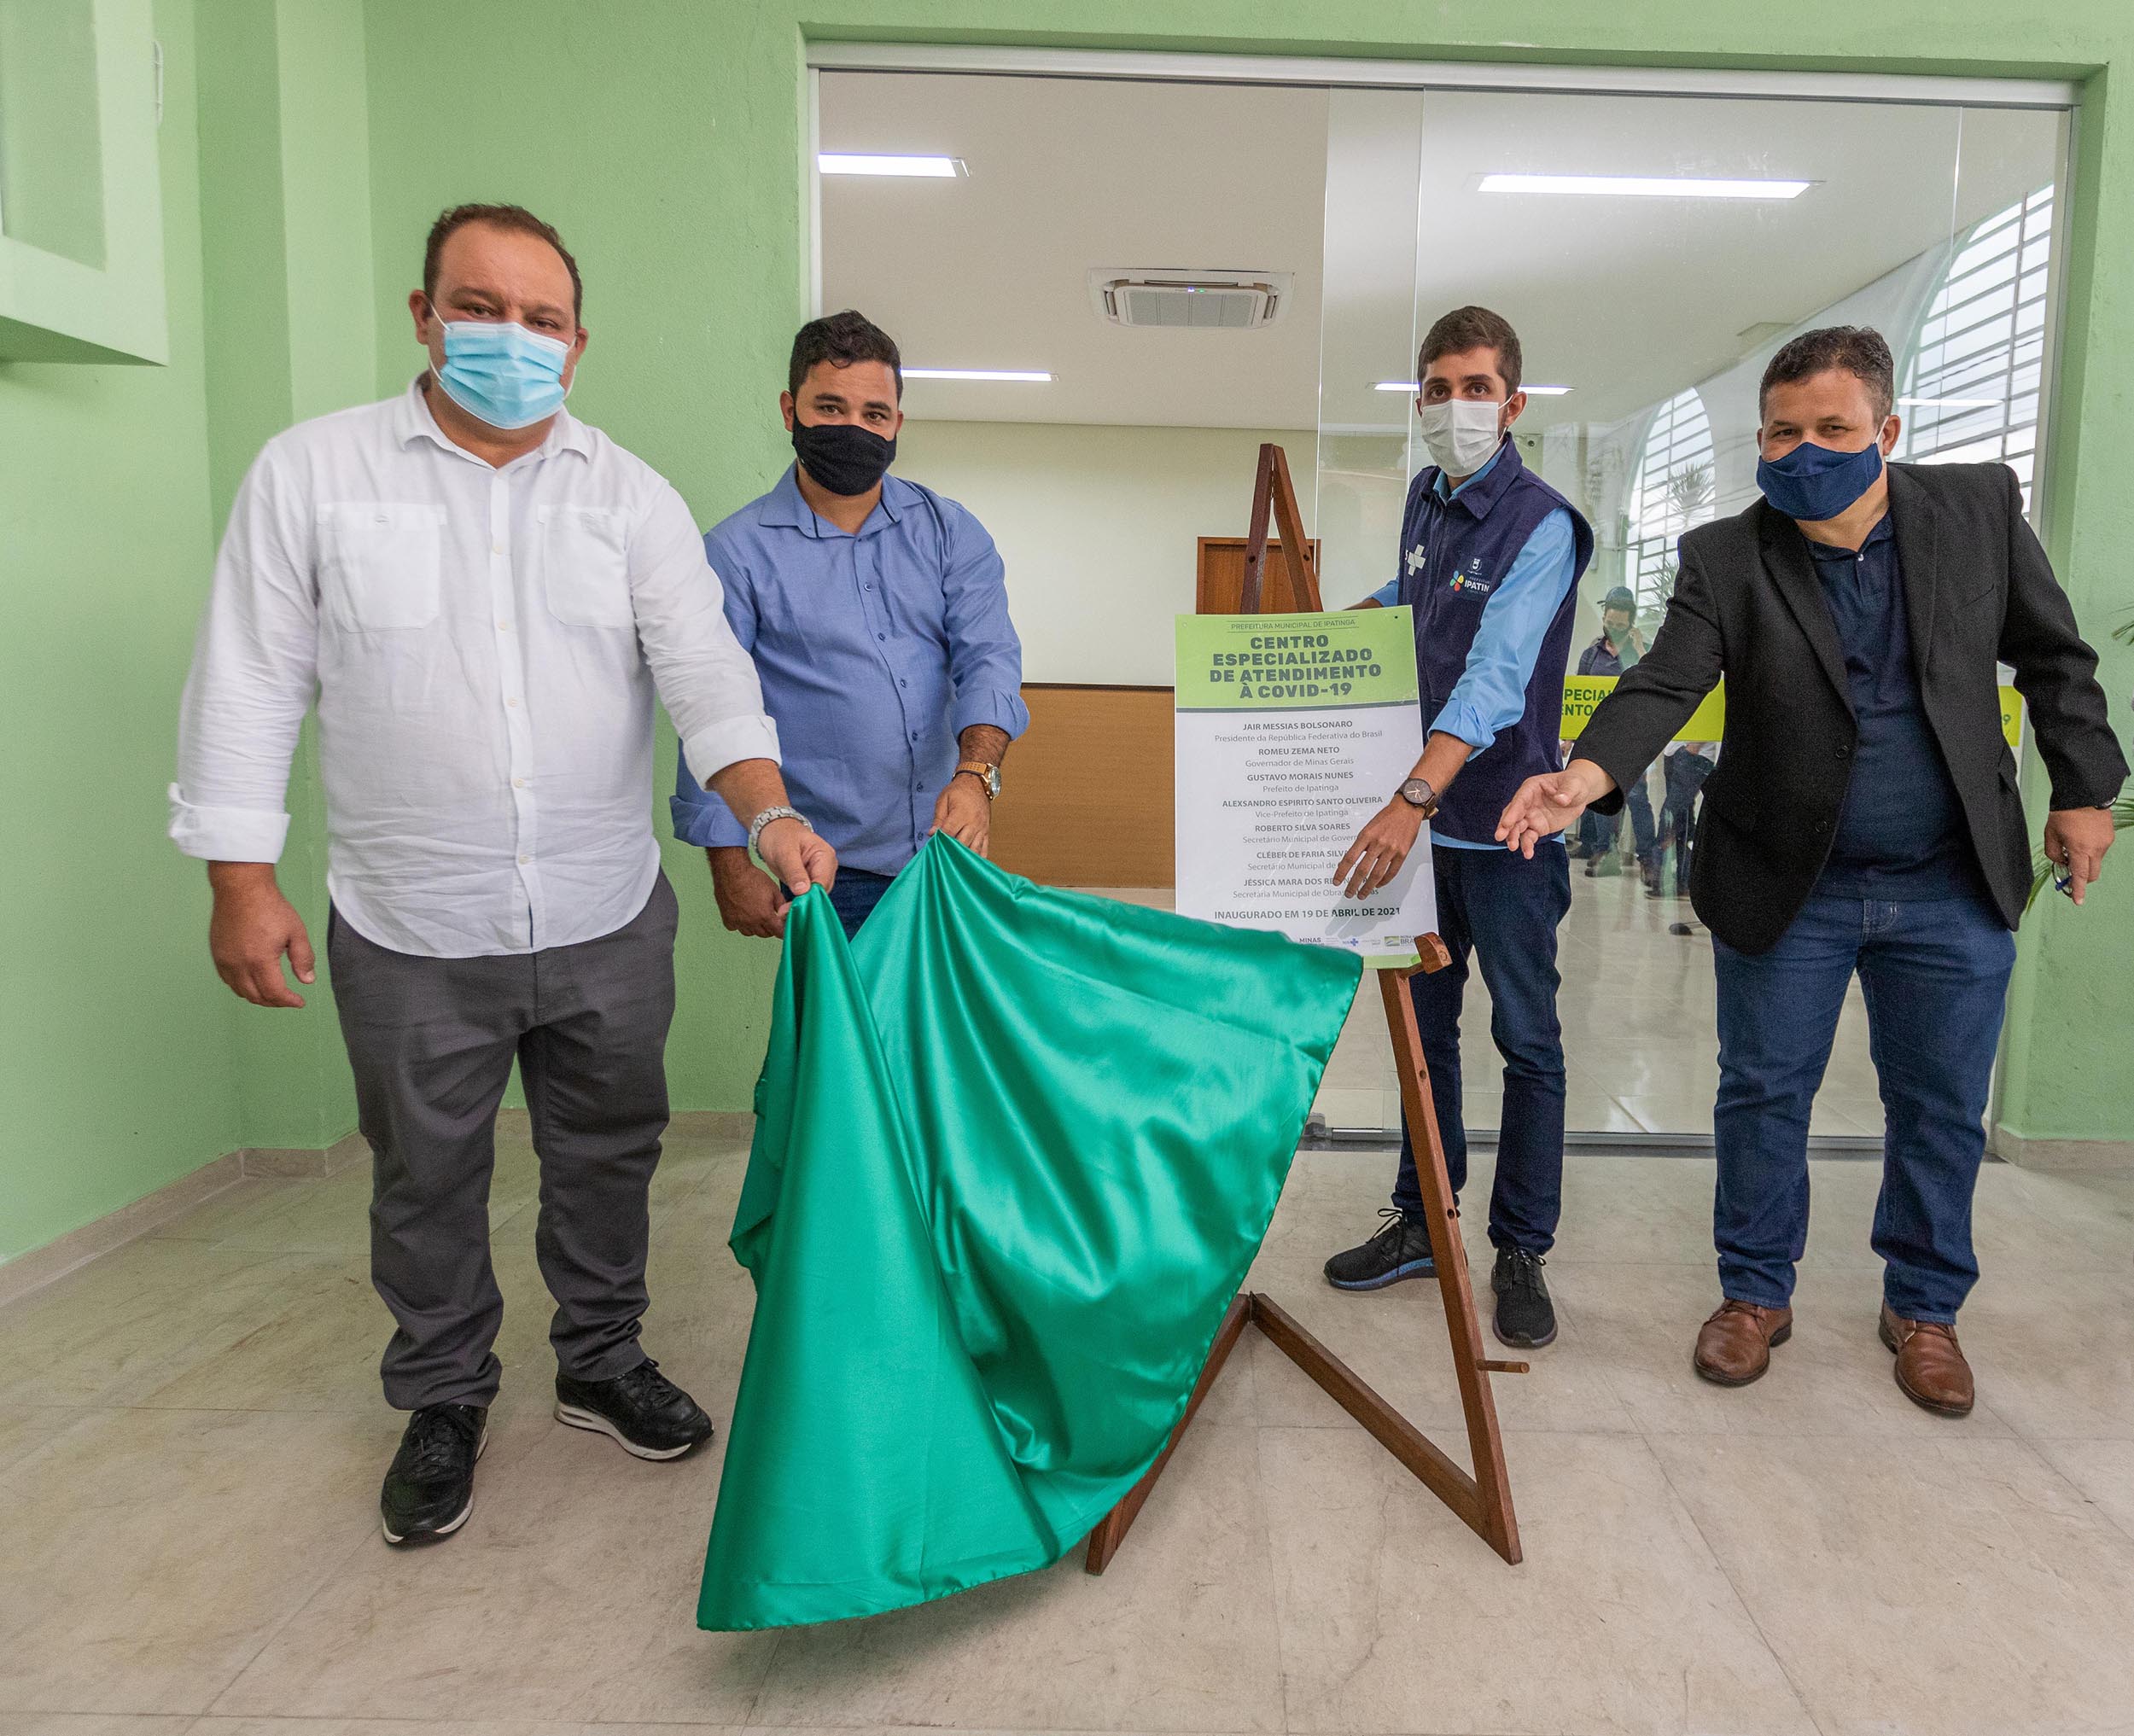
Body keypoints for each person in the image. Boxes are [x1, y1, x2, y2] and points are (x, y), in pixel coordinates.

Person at [170, 203, 837, 1546]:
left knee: (611, 1151)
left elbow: (708, 677)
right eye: (480, 308)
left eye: (542, 319)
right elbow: (247, 679)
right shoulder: (315, 476)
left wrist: (767, 814)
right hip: (410, 920)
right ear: (424, 316)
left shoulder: (628, 498)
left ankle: (600, 1358)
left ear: (578, 345)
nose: (511, 338)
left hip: (602, 909)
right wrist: (241, 878)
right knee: (424, 1171)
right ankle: (443, 1392)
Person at [1497, 325, 2125, 1414]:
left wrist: (2081, 791)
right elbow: (1666, 680)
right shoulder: (1727, 554)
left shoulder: (1975, 512)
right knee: (1762, 1094)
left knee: (1938, 1107)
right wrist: (1585, 774)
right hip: (1790, 882)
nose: (1802, 451)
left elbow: (2053, 656)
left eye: (1832, 429)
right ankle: (1753, 1294)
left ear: (1887, 429)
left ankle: (1924, 1309)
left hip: (1947, 880)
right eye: (1781, 433)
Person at [1324, 306, 1595, 1349]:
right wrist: (1327, 633)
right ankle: (1421, 1222)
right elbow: (1420, 596)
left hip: (1506, 834)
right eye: (1436, 389)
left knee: (1527, 1042)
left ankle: (1520, 1248)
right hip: (1428, 847)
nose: (1453, 407)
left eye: (1474, 388)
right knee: (1421, 1039)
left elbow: (1493, 676)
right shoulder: (1426, 498)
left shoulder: (1544, 524)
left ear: (1512, 403)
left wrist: (1411, 798)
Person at [672, 311, 1026, 940]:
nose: (854, 428)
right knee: (840, 1013)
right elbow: (711, 708)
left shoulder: (951, 532)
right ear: (791, 410)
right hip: (830, 872)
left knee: (950, 1010)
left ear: (897, 424)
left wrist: (976, 777)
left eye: (874, 414)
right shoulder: (735, 554)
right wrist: (730, 865)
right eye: (830, 407)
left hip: (950, 858)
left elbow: (989, 662)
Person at [1569, 586, 1658, 880]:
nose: (1615, 628)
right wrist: (1571, 736)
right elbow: (1579, 696)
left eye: (1621, 625)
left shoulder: (1640, 651)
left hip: (1633, 737)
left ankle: (1648, 859)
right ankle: (1604, 852)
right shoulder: (1591, 654)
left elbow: (1653, 686)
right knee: (1600, 796)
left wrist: (1639, 649)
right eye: (1611, 622)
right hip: (1600, 736)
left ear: (1631, 623)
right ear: (1604, 617)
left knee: (1637, 797)